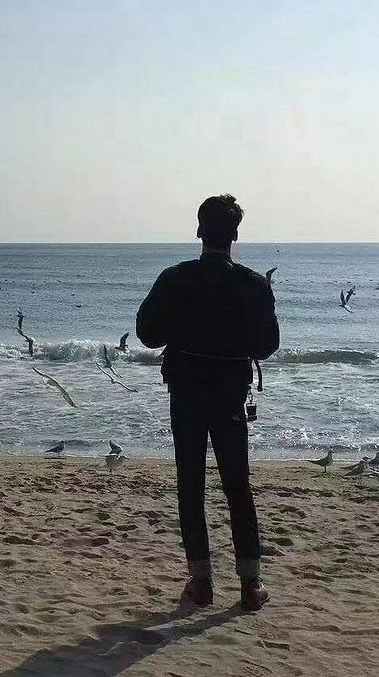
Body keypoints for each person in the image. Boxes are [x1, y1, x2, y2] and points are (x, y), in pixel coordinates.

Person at [136, 194, 279, 611]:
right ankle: (250, 583)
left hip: (186, 392)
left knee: (190, 484)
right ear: (235, 234)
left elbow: (147, 334)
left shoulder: (174, 278)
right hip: (230, 393)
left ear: (199, 231)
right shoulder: (253, 284)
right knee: (238, 485)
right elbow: (267, 345)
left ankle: (201, 582)